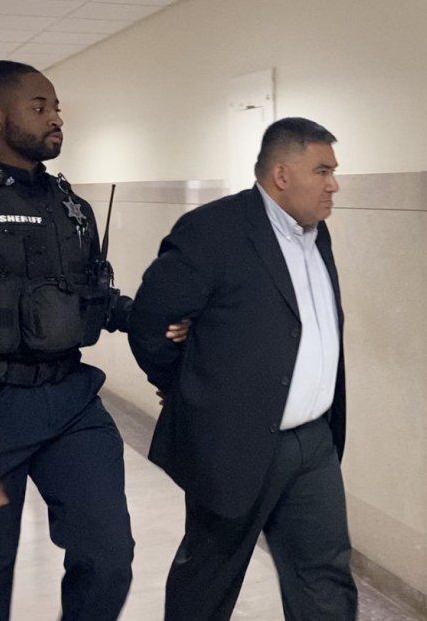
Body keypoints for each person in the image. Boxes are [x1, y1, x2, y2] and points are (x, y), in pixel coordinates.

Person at [0, 60, 188, 621]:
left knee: (108, 557)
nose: (56, 119)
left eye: (56, 108)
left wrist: (155, 319)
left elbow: (94, 297)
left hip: (70, 405)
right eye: (40, 107)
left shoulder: (73, 209)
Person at [129, 117, 358, 620]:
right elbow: (151, 323)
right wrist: (184, 386)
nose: (333, 183)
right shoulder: (213, 231)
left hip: (314, 443)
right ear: (281, 174)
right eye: (322, 170)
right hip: (234, 441)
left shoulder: (316, 235)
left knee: (325, 574)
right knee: (209, 578)